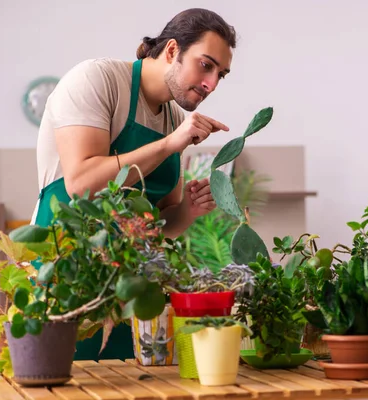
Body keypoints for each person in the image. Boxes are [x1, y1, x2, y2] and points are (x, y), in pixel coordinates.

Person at [31, 8, 237, 360]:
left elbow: (156, 230)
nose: (211, 84)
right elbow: (81, 184)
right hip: (67, 276)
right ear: (172, 51)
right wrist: (170, 144)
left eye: (221, 74)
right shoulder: (97, 80)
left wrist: (189, 210)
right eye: (206, 65)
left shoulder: (172, 116)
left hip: (131, 292)